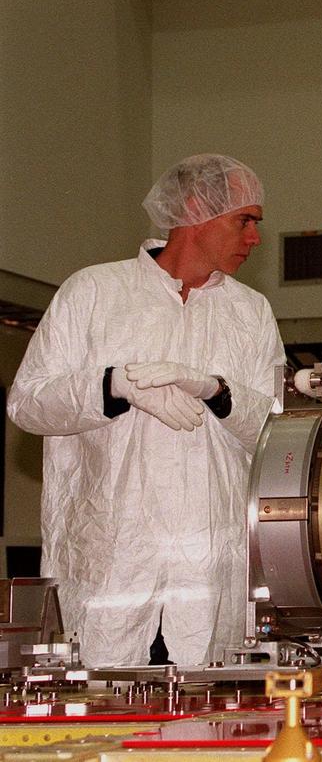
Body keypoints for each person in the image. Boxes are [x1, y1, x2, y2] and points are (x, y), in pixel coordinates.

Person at [7, 154, 284, 667]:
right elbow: (27, 403)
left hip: (209, 568)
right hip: (113, 559)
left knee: (207, 725)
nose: (255, 238)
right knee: (105, 724)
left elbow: (275, 433)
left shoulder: (250, 313)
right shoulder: (93, 292)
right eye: (244, 220)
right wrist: (111, 386)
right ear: (196, 209)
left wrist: (218, 391)